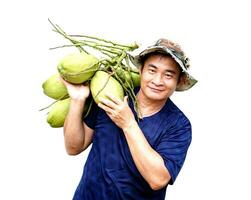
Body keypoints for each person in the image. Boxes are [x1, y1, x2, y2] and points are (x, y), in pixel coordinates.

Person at [62, 38, 198, 199]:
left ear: (178, 81)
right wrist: (78, 100)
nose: (157, 81)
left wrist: (128, 123)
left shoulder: (178, 125)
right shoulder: (111, 96)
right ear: (140, 71)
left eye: (168, 75)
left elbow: (158, 179)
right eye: (152, 70)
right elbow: (73, 148)